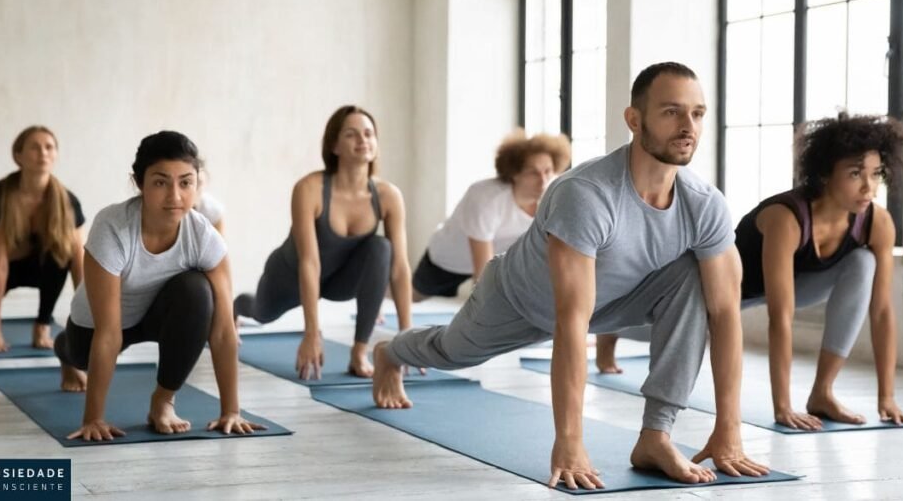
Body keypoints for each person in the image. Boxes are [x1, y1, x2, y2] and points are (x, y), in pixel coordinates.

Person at [371, 62, 769, 489]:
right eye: (671, 111)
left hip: (616, 302)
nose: (688, 125)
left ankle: (656, 434)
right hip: (519, 300)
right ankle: (390, 353)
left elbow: (725, 313)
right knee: (451, 351)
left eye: (698, 113)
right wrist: (570, 441)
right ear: (634, 120)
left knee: (694, 276)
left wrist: (729, 429)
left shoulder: (704, 204)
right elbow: (571, 319)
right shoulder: (587, 194)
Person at [55, 131, 262, 441]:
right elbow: (108, 332)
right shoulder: (112, 227)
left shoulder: (203, 236)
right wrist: (94, 418)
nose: (175, 196)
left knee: (197, 291)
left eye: (185, 182)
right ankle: (63, 351)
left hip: (157, 315)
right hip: (98, 327)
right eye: (161, 182)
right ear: (139, 183)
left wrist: (231, 410)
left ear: (197, 183)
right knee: (77, 354)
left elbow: (222, 331)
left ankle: (163, 401)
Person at [733, 113, 903, 430]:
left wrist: (887, 397)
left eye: (876, 174)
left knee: (863, 263)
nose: (869, 187)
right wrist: (783, 408)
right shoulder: (786, 218)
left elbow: (882, 312)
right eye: (855, 174)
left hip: (798, 286)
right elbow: (780, 317)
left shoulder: (877, 222)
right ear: (824, 174)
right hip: (728, 291)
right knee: (651, 316)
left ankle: (822, 393)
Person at [234, 105, 414, 379]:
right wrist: (311, 332)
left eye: (368, 134)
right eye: (352, 135)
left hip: (340, 280)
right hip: (291, 275)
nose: (363, 140)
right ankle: (236, 306)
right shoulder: (309, 189)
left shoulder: (389, 195)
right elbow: (309, 261)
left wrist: (407, 337)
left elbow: (399, 268)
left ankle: (359, 352)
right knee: (261, 312)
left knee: (382, 249)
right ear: (334, 146)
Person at [0, 126, 84, 352]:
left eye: (49, 147)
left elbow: (78, 261)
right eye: (34, 147)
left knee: (61, 256)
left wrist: (87, 321)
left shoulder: (67, 201)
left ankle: (42, 325)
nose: (43, 153)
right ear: (18, 155)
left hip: (35, 265)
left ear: (56, 154)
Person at [412, 130, 569, 301]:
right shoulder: (486, 197)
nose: (543, 180)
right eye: (533, 172)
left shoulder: (552, 201)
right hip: (447, 259)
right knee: (412, 298)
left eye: (548, 171)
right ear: (514, 174)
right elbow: (482, 272)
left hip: (497, 260)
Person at [194, 169, 226, 235]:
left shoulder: (213, 210)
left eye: (199, 183)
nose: (195, 187)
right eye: (186, 182)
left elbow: (219, 242)